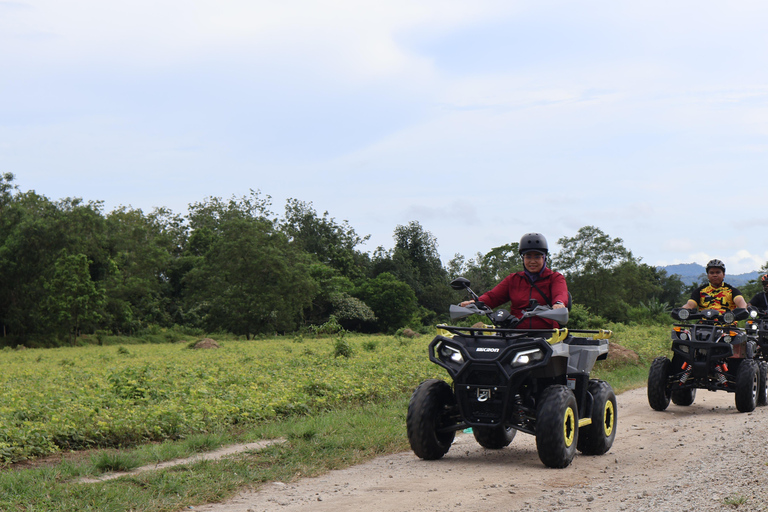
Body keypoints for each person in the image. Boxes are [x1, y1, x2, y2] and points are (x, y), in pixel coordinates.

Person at [459, 232, 568, 329]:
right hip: (516, 332)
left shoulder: (555, 278)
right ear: (523, 258)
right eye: (528, 257)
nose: (532, 261)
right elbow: (493, 297)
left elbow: (560, 293)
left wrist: (558, 304)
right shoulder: (513, 279)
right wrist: (474, 303)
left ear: (544, 258)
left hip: (547, 333)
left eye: (537, 257)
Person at [680, 259, 748, 313]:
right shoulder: (700, 291)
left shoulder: (732, 291)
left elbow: (741, 302)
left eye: (718, 272)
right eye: (712, 273)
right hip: (704, 327)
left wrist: (744, 310)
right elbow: (690, 304)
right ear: (708, 275)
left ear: (723, 274)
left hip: (727, 326)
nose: (715, 275)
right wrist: (682, 310)